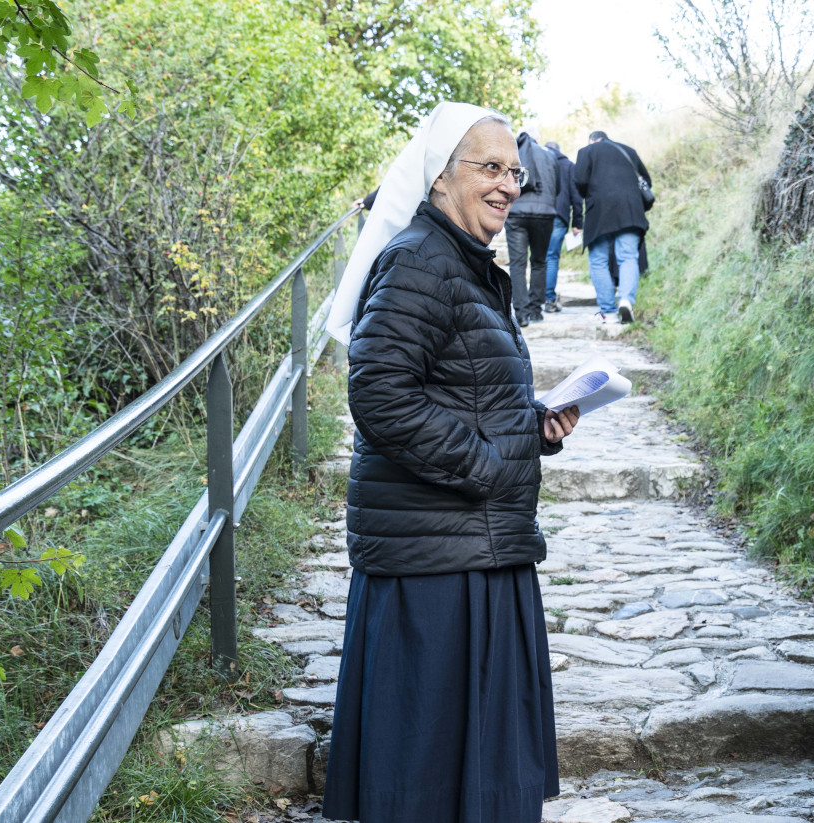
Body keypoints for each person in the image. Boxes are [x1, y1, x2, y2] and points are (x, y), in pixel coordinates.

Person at [319, 101, 581, 823]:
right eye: (489, 167)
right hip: (434, 570)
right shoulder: (418, 261)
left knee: (474, 783)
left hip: (472, 550)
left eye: (514, 172)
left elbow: (456, 391)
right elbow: (379, 395)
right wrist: (491, 464)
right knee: (426, 786)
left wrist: (534, 427)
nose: (506, 185)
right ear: (440, 177)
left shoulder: (464, 264)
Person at [573, 129, 651, 323]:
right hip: (630, 210)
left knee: (598, 260)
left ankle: (608, 311)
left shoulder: (587, 151)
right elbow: (646, 181)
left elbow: (580, 181)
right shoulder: (629, 151)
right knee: (628, 257)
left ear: (592, 140)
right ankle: (625, 301)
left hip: (600, 211)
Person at [505, 120, 561, 325]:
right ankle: (536, 310)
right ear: (538, 139)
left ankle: (520, 314)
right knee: (539, 261)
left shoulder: (513, 154)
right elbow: (558, 187)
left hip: (517, 214)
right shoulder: (550, 155)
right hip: (545, 214)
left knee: (518, 264)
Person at [542, 140, 582, 315]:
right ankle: (549, 299)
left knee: (538, 257)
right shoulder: (568, 165)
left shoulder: (539, 160)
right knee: (551, 256)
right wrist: (578, 222)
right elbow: (576, 196)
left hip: (538, 214)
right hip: (559, 215)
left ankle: (534, 299)